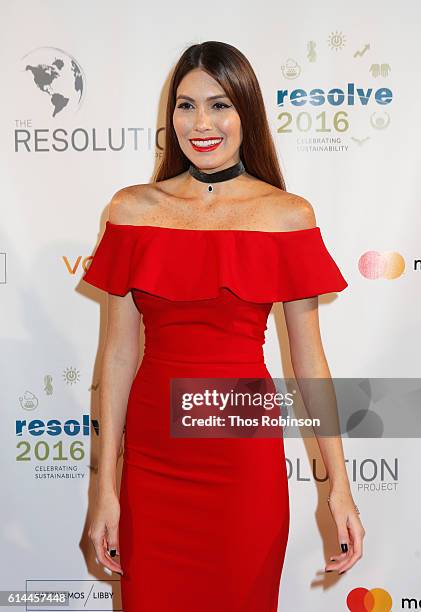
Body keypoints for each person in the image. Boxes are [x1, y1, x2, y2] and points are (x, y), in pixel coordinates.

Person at [84, 40, 365, 612]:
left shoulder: (287, 215)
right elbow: (116, 357)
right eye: (185, 106)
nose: (201, 123)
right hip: (154, 461)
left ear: (247, 115)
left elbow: (309, 362)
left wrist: (340, 486)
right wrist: (104, 490)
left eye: (220, 105)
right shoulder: (132, 210)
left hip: (242, 461)